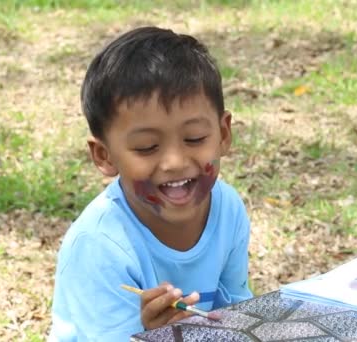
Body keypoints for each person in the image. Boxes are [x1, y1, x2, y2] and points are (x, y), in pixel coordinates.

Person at [48, 26, 253, 341]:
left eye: (194, 138)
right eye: (146, 147)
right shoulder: (99, 245)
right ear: (105, 155)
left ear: (223, 135)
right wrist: (153, 335)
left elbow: (237, 319)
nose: (174, 162)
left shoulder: (228, 209)